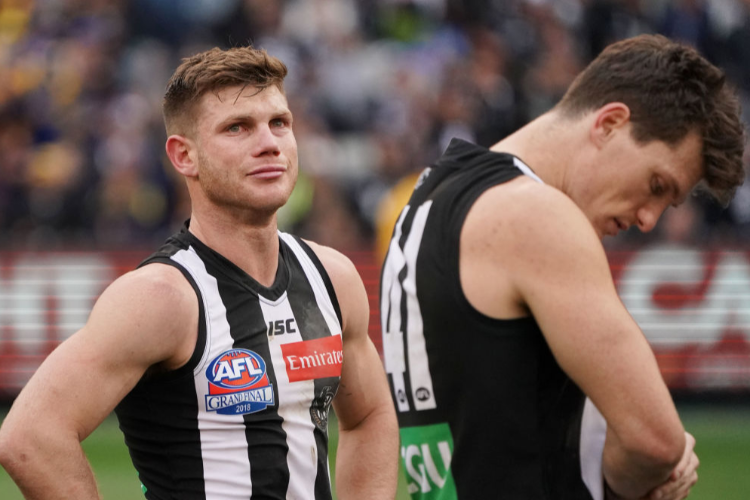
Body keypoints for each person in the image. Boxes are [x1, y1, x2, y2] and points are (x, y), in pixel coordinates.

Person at [0, 46, 399, 499]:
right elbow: (30, 437)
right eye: (237, 127)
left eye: (279, 123)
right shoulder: (161, 298)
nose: (269, 142)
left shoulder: (332, 277)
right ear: (183, 156)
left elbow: (369, 416)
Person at [380, 34, 744, 500]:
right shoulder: (537, 215)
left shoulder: (429, 195)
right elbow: (656, 441)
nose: (648, 218)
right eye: (656, 185)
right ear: (610, 123)